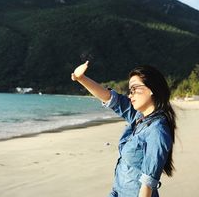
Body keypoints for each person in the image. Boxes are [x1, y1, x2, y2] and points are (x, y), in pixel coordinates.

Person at [71, 61, 176, 197]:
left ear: (151, 89)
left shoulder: (157, 131)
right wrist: (81, 79)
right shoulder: (139, 117)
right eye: (129, 90)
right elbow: (111, 98)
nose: (129, 95)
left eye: (134, 89)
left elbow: (148, 184)